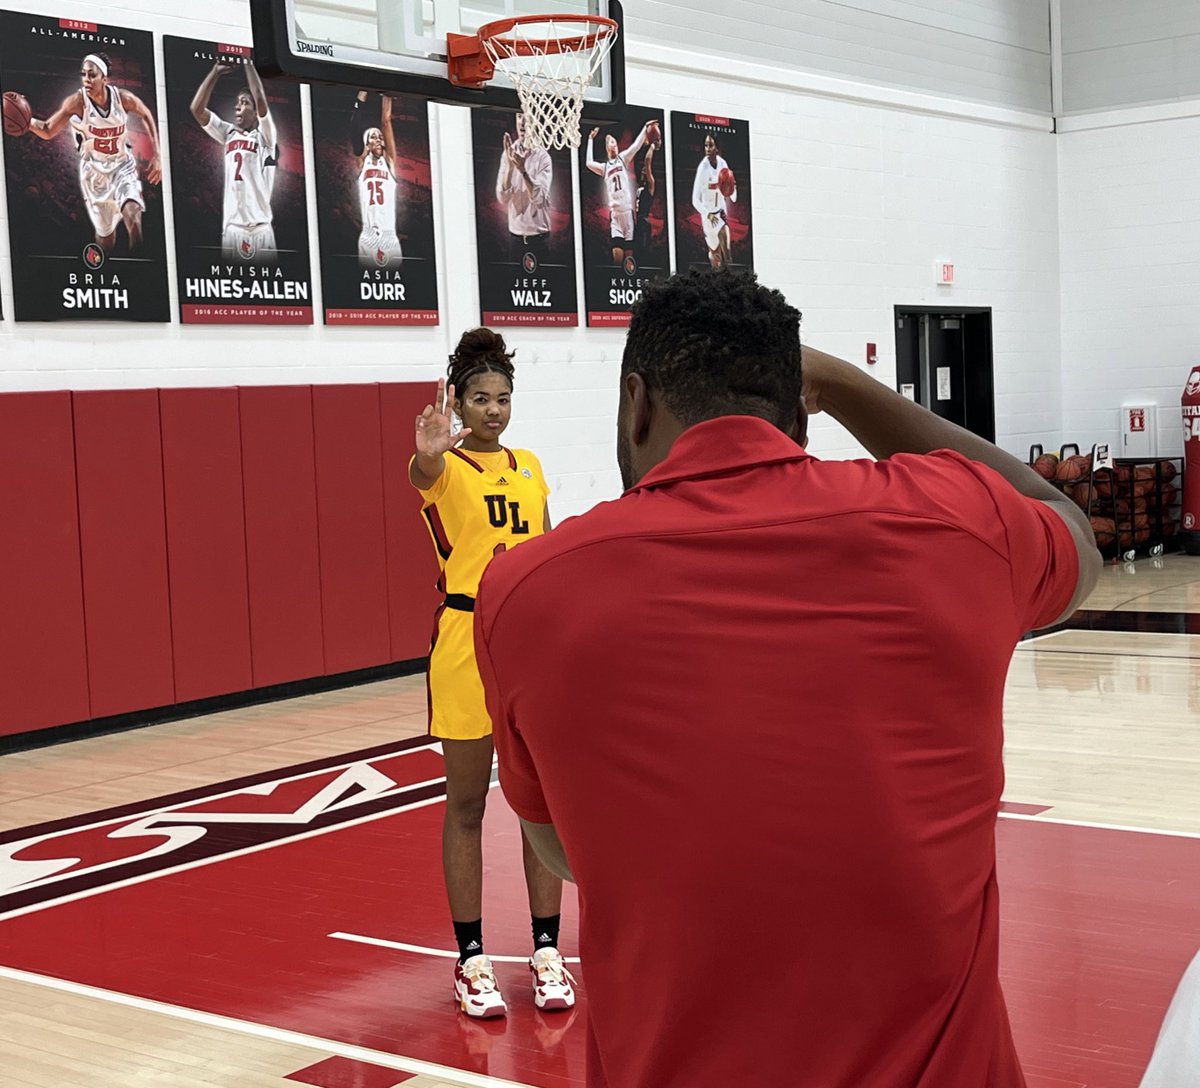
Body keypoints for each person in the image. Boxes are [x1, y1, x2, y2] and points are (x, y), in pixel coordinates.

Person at [475, 270, 1101, 1086]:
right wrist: (842, 382)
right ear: (801, 409)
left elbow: (562, 852)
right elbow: (1077, 540)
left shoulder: (526, 594)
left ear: (636, 402)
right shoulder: (953, 522)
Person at [410, 328, 574, 1020]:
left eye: (502, 398)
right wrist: (426, 454)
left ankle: (546, 951)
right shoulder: (444, 468)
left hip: (527, 641)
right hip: (464, 637)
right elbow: (422, 478)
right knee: (469, 804)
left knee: (542, 803)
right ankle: (472, 960)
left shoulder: (531, 467)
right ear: (459, 401)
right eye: (480, 399)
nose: (493, 410)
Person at [24, 52, 162, 252]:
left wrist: (157, 155)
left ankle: (139, 269)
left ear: (105, 79)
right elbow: (46, 130)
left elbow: (146, 114)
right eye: (84, 74)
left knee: (133, 217)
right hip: (94, 175)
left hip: (122, 166)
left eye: (92, 75)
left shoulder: (123, 98)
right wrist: (26, 121)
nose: (86, 80)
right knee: (106, 238)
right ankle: (105, 272)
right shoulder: (76, 102)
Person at [190, 59, 278, 263]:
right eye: (237, 102)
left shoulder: (265, 137)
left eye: (245, 103)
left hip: (261, 228)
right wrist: (215, 72)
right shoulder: (228, 133)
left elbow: (260, 98)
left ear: (256, 112)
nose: (238, 106)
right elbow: (197, 110)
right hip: (234, 228)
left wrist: (246, 60)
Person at [585, 121, 651, 266]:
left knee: (629, 261)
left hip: (627, 213)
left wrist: (645, 128)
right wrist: (590, 139)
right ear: (607, 146)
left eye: (615, 142)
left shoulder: (623, 159)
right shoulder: (605, 167)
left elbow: (635, 147)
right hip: (615, 215)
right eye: (611, 143)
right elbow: (588, 163)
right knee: (617, 259)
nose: (614, 145)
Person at [495, 114, 552, 263]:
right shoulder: (508, 153)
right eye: (519, 116)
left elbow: (539, 200)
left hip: (539, 239)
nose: (522, 122)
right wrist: (509, 166)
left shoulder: (543, 157)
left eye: (527, 117)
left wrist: (523, 170)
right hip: (515, 239)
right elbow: (502, 198)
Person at [355, 94, 402, 268]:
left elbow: (386, 121)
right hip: (368, 235)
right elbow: (356, 128)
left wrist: (388, 94)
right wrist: (360, 100)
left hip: (389, 235)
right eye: (374, 137)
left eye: (380, 138)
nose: (379, 140)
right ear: (366, 145)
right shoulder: (362, 162)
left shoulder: (389, 162)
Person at [691, 132, 736, 269]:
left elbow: (731, 194)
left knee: (727, 253)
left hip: (721, 213)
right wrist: (707, 214)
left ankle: (731, 281)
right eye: (706, 146)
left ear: (717, 148)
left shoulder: (723, 164)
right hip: (708, 217)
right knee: (715, 255)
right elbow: (695, 199)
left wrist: (733, 188)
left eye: (711, 145)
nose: (708, 149)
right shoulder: (703, 168)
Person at [632, 143, 657, 260]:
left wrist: (652, 146)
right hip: (638, 222)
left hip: (644, 221)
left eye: (645, 169)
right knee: (636, 252)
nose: (643, 170)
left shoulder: (650, 184)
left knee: (643, 253)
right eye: (642, 169)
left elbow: (647, 160)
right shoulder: (640, 185)